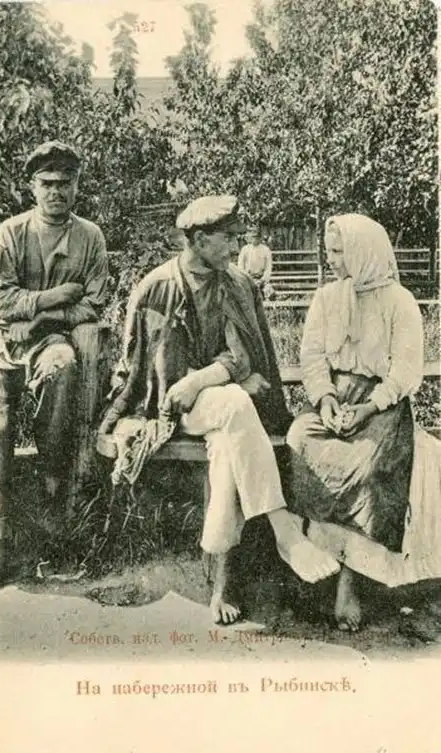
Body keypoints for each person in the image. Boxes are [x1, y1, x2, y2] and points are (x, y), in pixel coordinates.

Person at [100, 195, 340, 624]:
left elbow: (244, 354)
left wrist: (204, 379)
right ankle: (283, 529)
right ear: (198, 239)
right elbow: (158, 377)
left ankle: (223, 582)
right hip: (171, 409)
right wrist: (211, 381)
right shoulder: (158, 287)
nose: (235, 247)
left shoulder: (237, 283)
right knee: (234, 402)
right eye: (228, 238)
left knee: (229, 443)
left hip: (225, 408)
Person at [286, 213, 441, 631]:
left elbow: (406, 371)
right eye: (329, 250)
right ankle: (315, 564)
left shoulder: (400, 302)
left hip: (381, 407)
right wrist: (326, 400)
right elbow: (313, 357)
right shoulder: (326, 298)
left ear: (363, 252)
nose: (331, 259)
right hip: (336, 400)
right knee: (299, 439)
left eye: (339, 251)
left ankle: (350, 581)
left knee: (367, 468)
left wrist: (368, 408)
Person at [0, 140, 109, 590]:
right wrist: (53, 296)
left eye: (65, 183)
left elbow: (93, 303)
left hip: (47, 338)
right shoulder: (11, 232)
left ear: (77, 186)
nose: (56, 192)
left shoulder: (90, 237)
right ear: (33, 187)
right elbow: (0, 301)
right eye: (47, 183)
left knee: (63, 368)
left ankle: (53, 516)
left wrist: (40, 318)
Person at [237, 226, 273, 297]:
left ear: (260, 238)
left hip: (261, 279)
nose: (255, 239)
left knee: (269, 292)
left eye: (257, 237)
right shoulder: (245, 249)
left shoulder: (266, 250)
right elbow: (240, 267)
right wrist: (248, 278)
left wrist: (262, 280)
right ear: (250, 237)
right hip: (248, 278)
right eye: (253, 237)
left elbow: (268, 268)